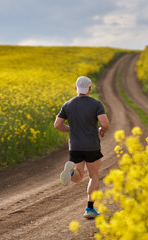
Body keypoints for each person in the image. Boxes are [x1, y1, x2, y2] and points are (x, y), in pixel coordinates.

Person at [54, 76, 109, 219]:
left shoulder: (67, 104)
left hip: (75, 146)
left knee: (78, 176)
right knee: (94, 176)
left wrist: (70, 129)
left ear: (76, 88)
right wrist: (101, 130)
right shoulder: (96, 104)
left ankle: (71, 172)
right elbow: (105, 124)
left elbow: (57, 125)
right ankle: (90, 209)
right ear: (90, 89)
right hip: (92, 146)